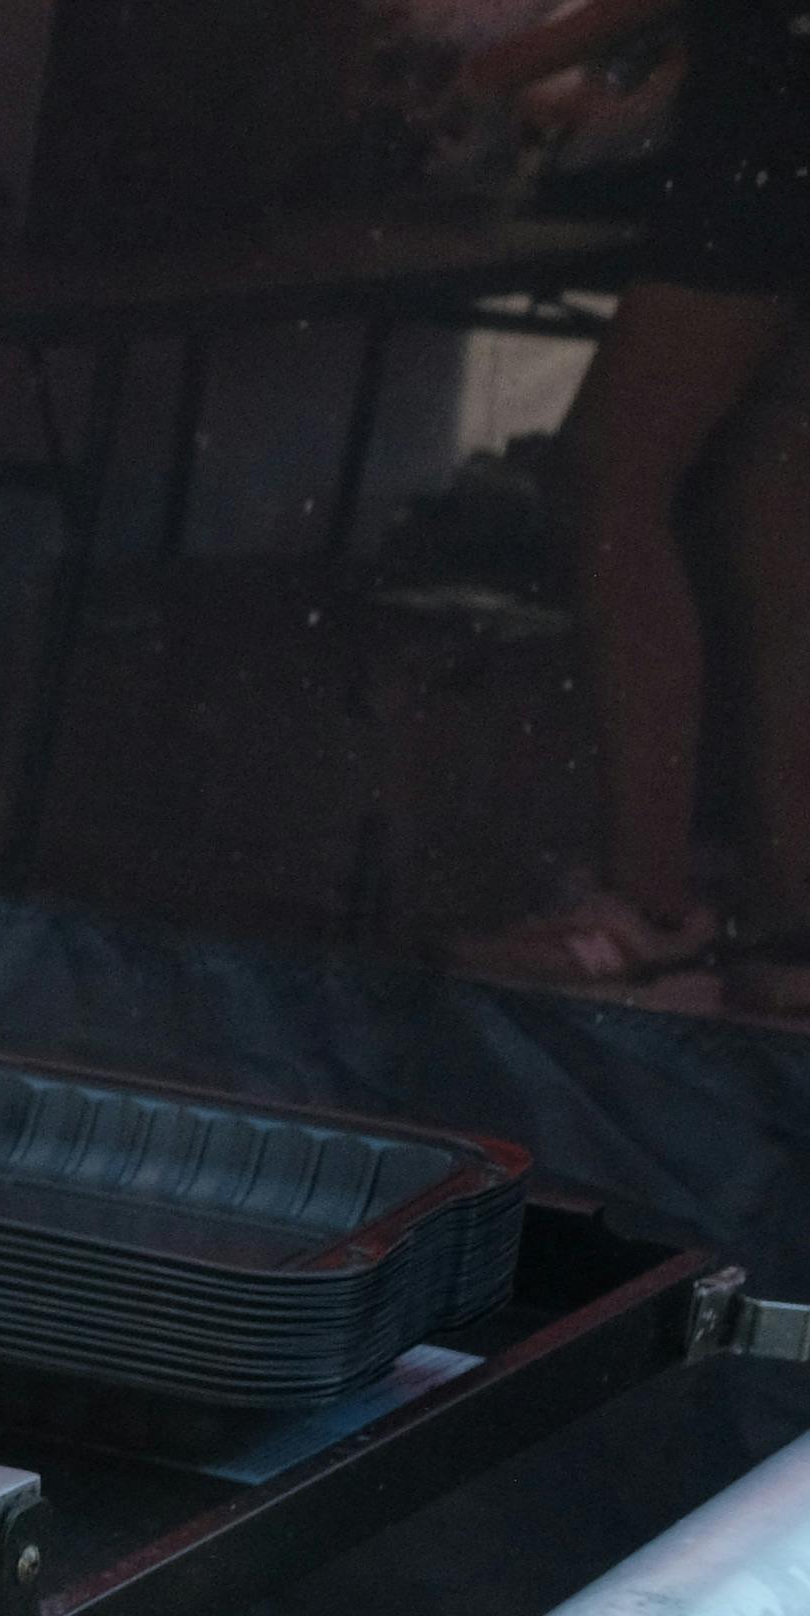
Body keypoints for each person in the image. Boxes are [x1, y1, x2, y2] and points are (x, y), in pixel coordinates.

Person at [450, 0, 810, 1003]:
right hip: (781, 122)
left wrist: (512, 61)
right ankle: (792, 930)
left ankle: (650, 911)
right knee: (765, 519)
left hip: (769, 149)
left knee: (613, 491)